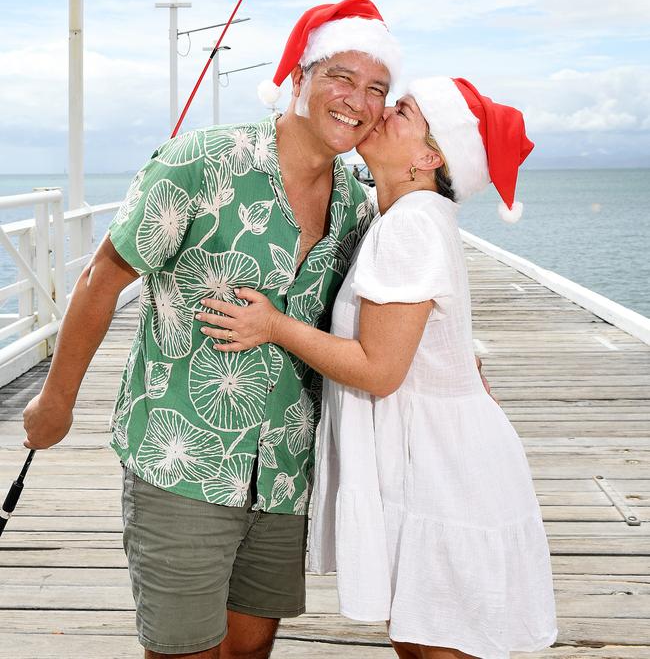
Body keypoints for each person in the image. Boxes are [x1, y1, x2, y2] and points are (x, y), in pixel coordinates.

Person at [21, 0, 403, 659]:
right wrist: (56, 401)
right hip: (181, 461)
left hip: (284, 468)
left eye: (377, 88)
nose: (357, 100)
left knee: (251, 651)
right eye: (341, 76)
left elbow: (375, 318)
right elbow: (100, 280)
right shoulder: (201, 161)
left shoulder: (354, 204)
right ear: (297, 79)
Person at [196, 76, 558, 659]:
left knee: (439, 644)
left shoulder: (412, 222)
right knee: (422, 640)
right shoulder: (405, 215)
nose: (383, 111)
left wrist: (274, 326)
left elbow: (379, 370)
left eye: (405, 112)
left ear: (430, 156)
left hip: (443, 471)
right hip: (433, 457)